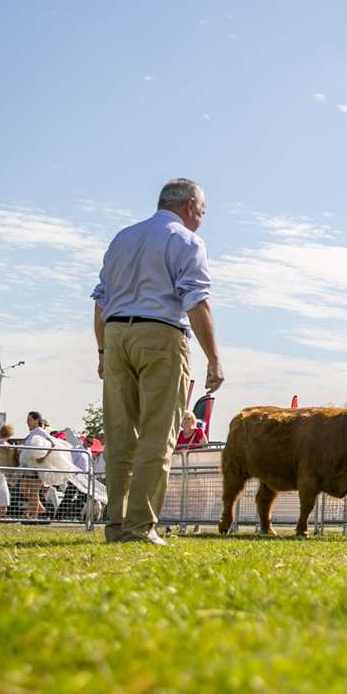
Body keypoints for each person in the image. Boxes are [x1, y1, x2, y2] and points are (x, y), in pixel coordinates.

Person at [92, 178, 224, 545]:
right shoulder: (186, 241)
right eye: (202, 211)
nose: (201, 218)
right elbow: (196, 301)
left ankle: (115, 526)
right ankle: (139, 527)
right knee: (157, 435)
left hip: (116, 334)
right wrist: (214, 358)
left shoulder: (122, 238)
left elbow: (100, 300)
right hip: (161, 335)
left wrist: (103, 352)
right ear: (188, 207)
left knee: (120, 437)